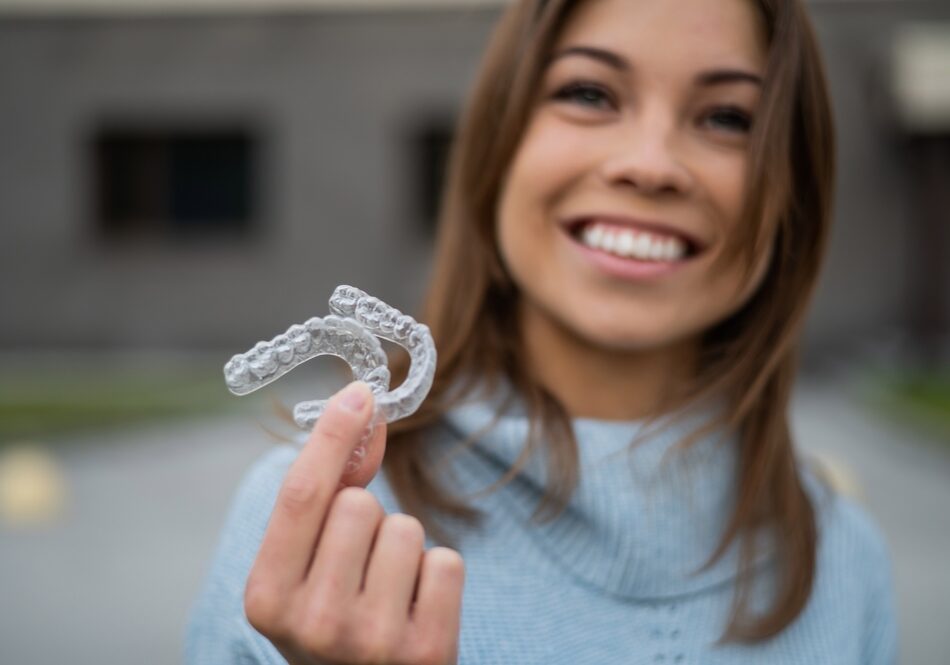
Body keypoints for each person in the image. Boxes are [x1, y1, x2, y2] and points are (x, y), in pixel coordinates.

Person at [185, 0, 898, 662]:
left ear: (792, 196)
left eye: (728, 117)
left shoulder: (846, 561)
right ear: (499, 145)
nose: (649, 164)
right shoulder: (306, 531)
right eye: (589, 93)